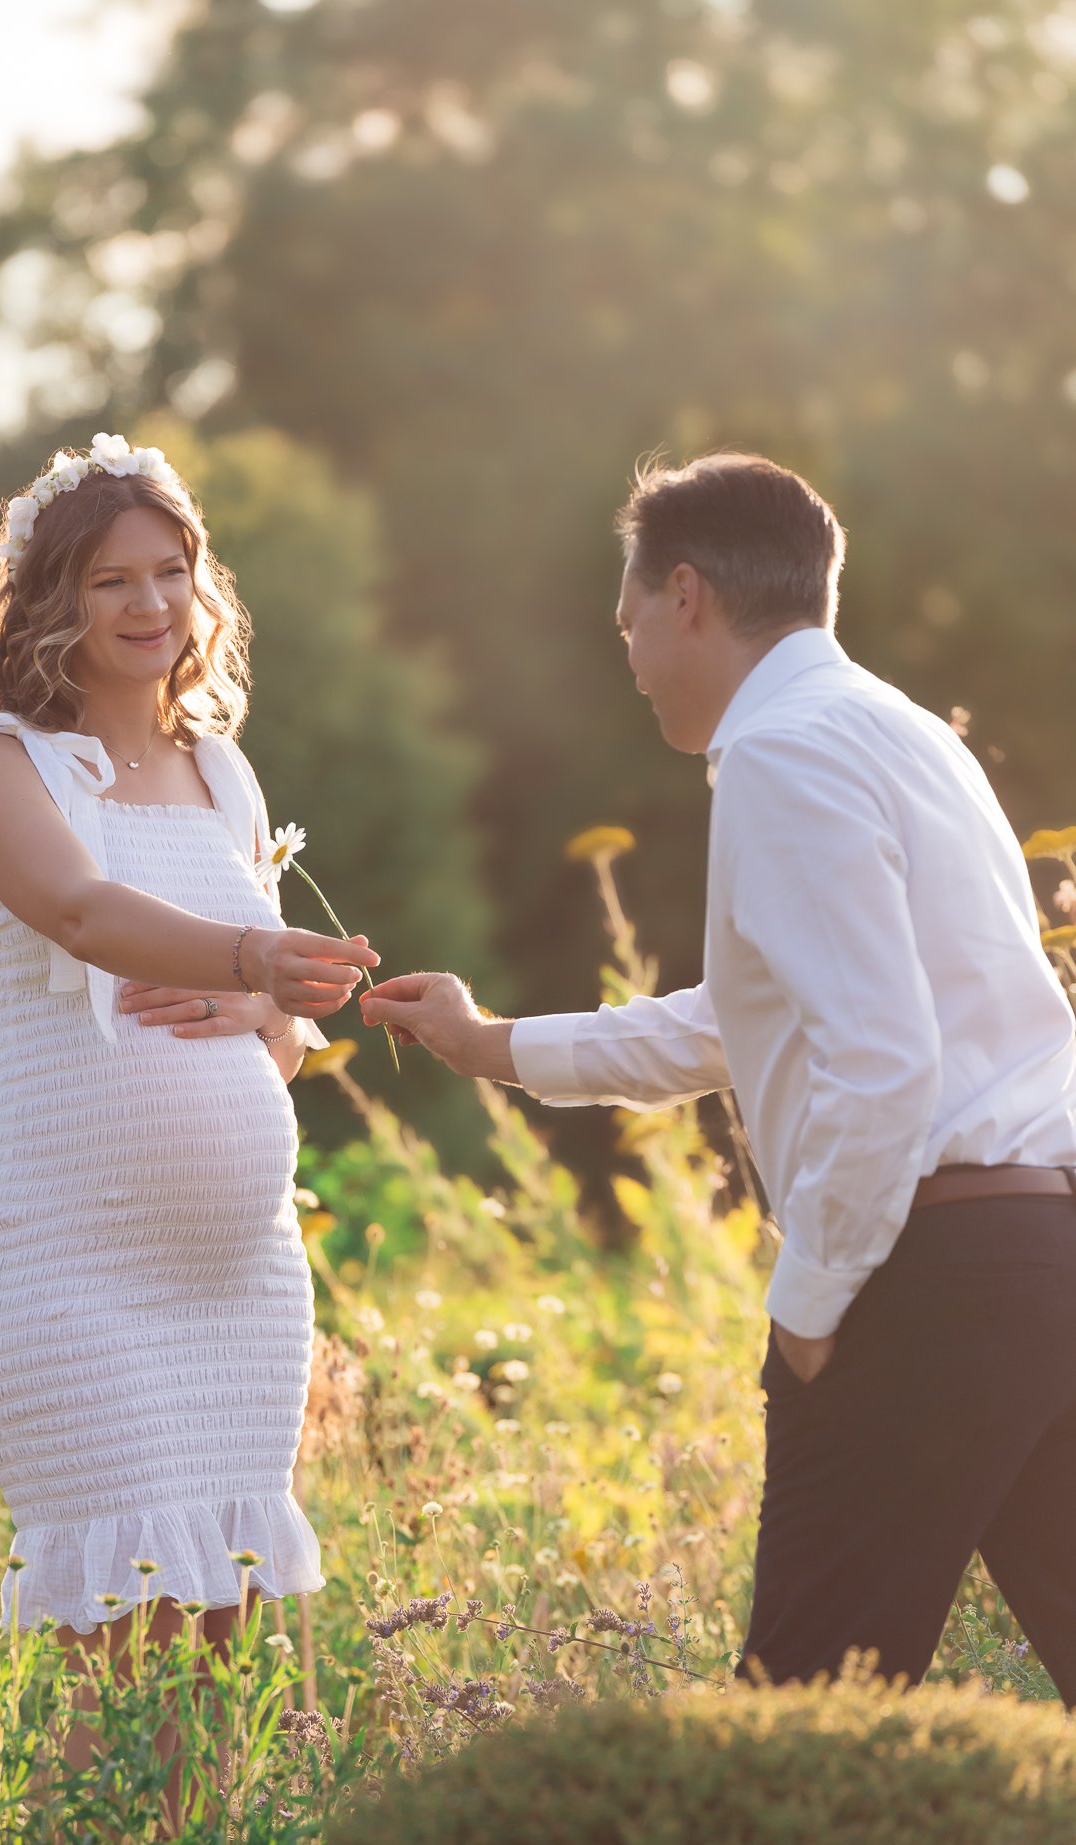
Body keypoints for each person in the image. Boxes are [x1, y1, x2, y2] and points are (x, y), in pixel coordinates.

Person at [361, 450, 1076, 1703]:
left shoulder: (782, 753)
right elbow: (748, 1019)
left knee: (803, 1715)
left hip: (923, 1276)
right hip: (1040, 1254)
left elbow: (878, 1057)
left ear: (684, 594)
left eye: (629, 621)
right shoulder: (905, 732)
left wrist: (810, 1300)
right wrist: (493, 1043)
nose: (630, 657)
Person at [0, 431, 379, 1811]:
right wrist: (249, 961)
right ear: (44, 602)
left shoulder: (222, 776)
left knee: (220, 1639)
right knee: (117, 1647)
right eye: (109, 580)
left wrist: (274, 1011)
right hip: (72, 1272)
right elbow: (79, 914)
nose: (145, 605)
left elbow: (283, 1045)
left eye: (169, 573)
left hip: (233, 1285)